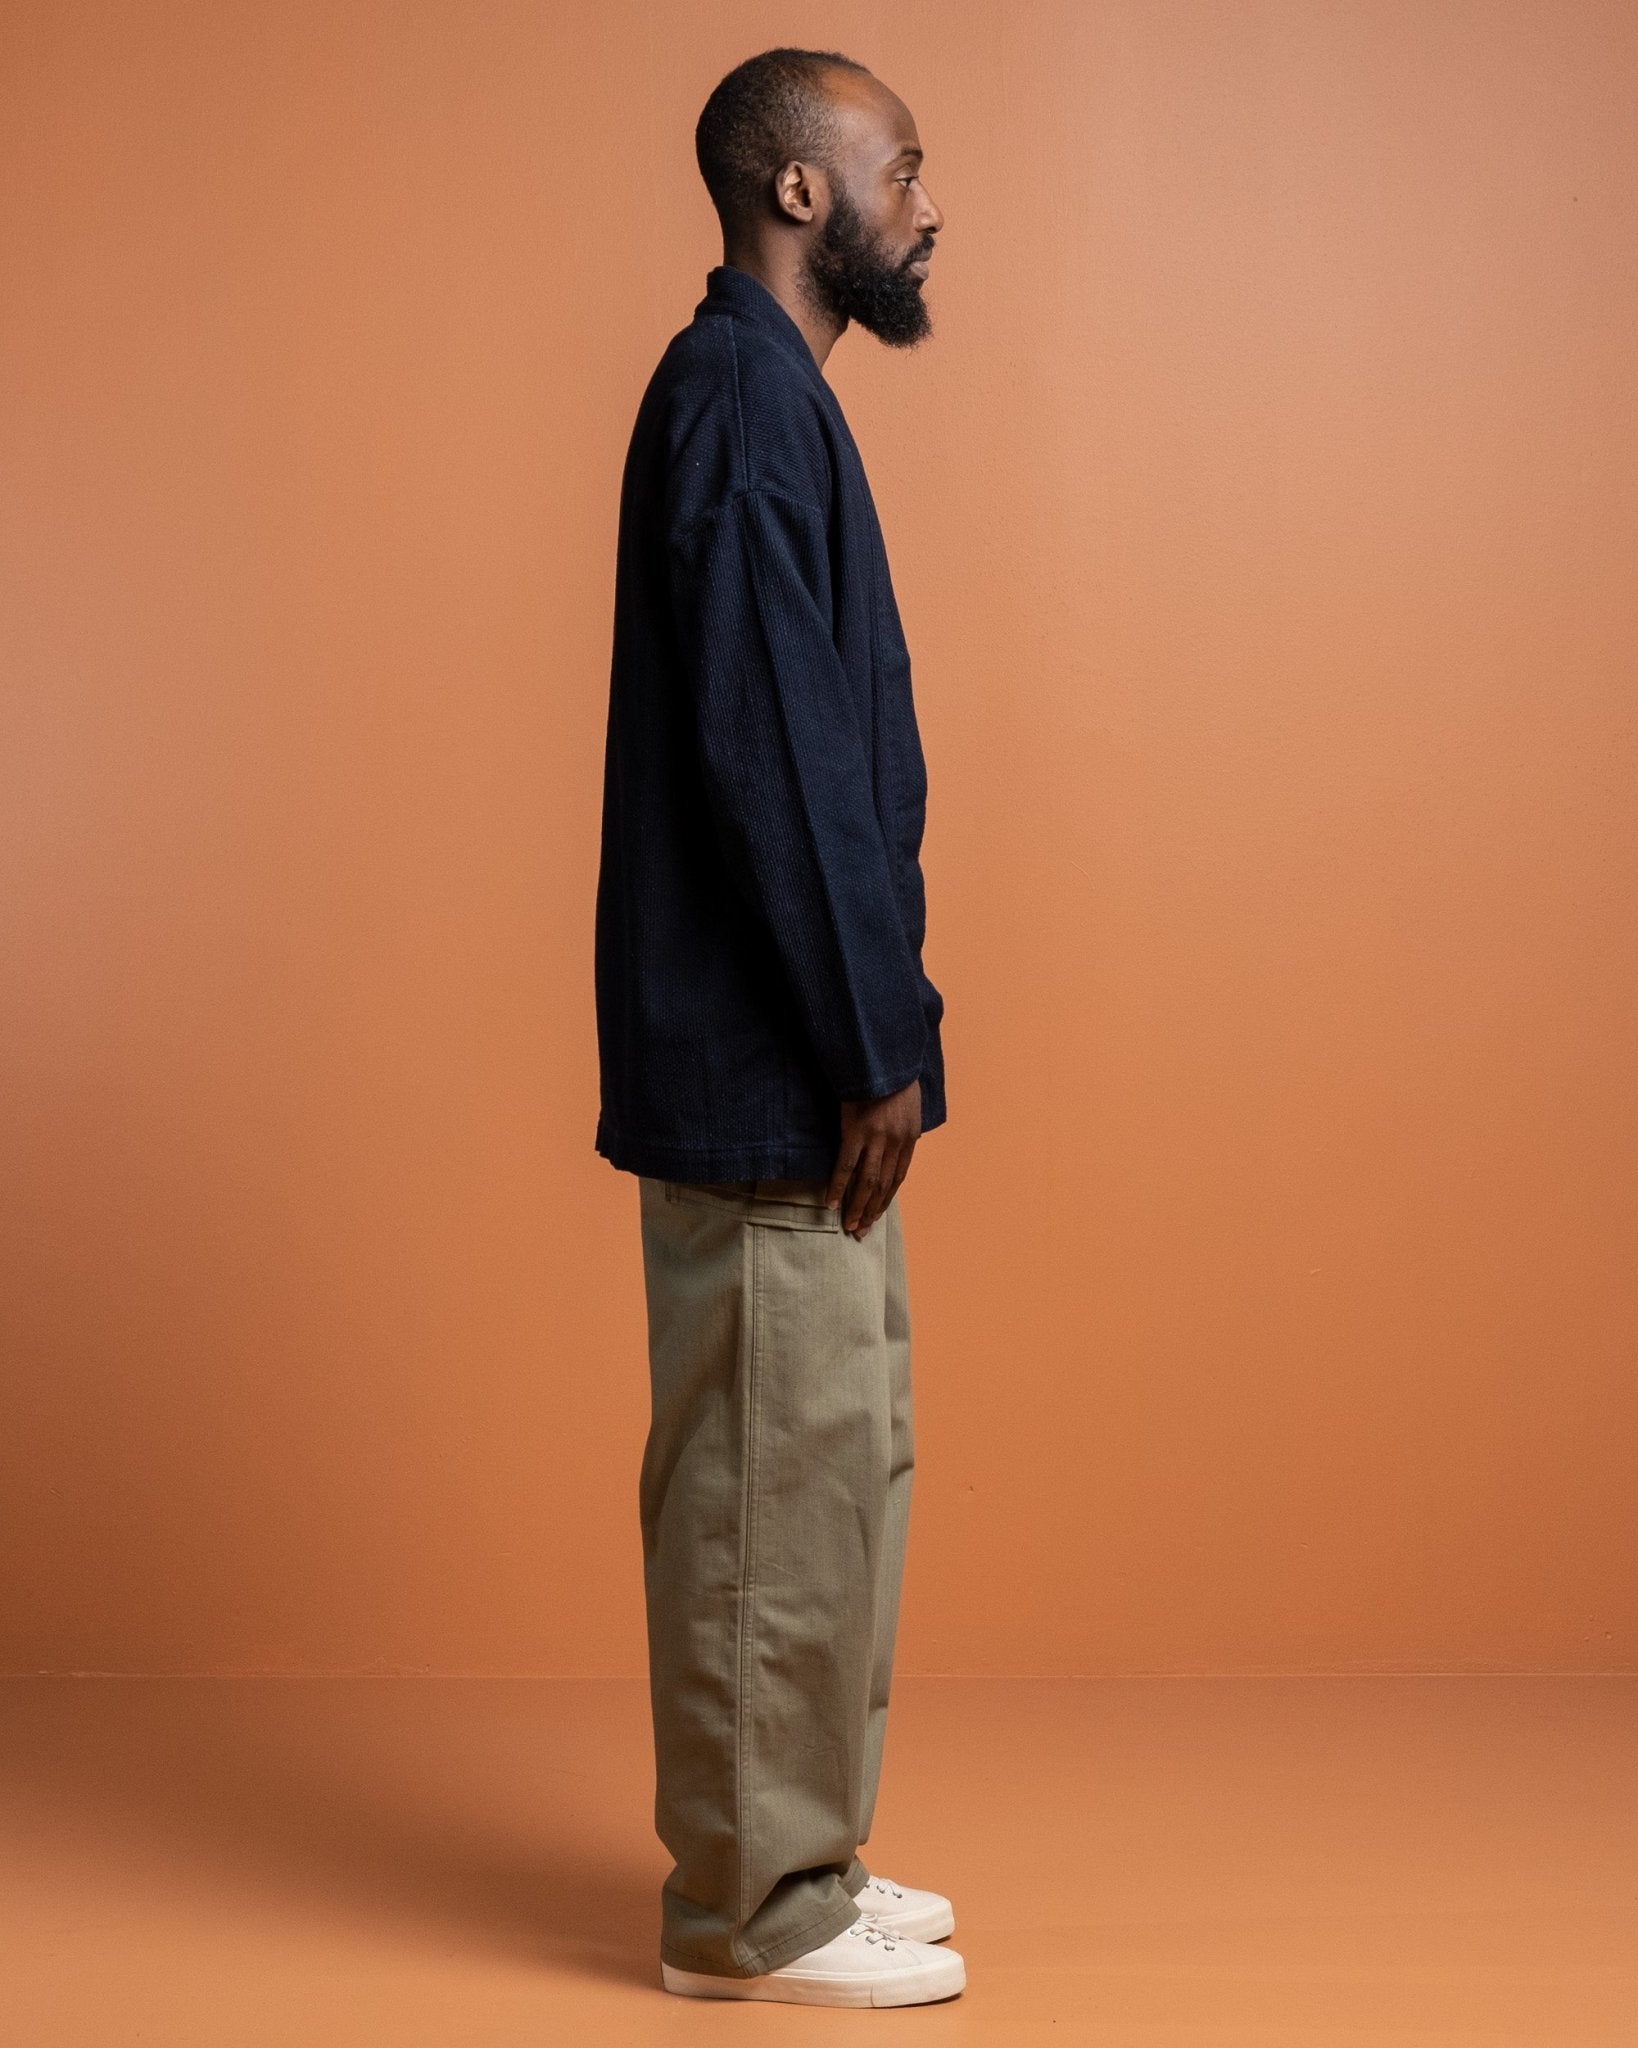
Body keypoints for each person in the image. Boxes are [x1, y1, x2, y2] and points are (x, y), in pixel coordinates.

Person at [592, 45, 963, 2009]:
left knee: (829, 1472)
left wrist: (876, 1031)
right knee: (763, 1488)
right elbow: (777, 759)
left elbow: (803, 752)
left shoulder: (765, 398)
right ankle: (749, 1915)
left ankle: (809, 1854)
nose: (927, 202)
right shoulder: (736, 398)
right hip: (772, 1079)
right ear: (798, 192)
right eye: (901, 167)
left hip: (799, 1062)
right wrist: (867, 1043)